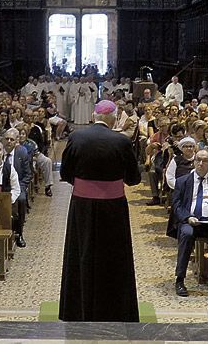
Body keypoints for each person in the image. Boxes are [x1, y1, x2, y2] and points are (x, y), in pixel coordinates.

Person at [58, 99, 141, 322]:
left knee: (81, 254)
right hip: (112, 209)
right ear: (113, 118)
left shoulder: (76, 137)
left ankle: (78, 311)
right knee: (113, 259)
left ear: (94, 116)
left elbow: (65, 174)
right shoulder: (121, 141)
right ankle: (116, 311)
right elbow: (134, 179)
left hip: (82, 208)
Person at [171, 148, 208, 296]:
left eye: (205, 161)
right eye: (198, 160)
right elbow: (177, 206)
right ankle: (180, 279)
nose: (201, 163)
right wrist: (187, 217)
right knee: (186, 234)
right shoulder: (182, 181)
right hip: (190, 221)